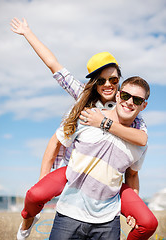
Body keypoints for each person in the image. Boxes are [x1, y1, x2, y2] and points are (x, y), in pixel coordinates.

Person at [10, 18, 158, 239]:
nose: (107, 84)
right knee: (36, 193)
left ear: (119, 83)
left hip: (107, 185)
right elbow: (54, 65)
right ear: (94, 83)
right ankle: (27, 223)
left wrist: (104, 123)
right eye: (101, 81)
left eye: (113, 80)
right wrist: (28, 33)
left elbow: (141, 140)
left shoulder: (131, 112)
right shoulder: (84, 102)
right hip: (75, 169)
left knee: (147, 221)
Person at [48, 76, 149, 239]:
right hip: (68, 215)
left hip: (108, 222)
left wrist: (132, 209)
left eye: (137, 99)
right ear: (117, 95)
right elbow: (56, 142)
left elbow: (132, 175)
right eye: (125, 96)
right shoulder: (88, 116)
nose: (129, 102)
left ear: (143, 105)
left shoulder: (140, 142)